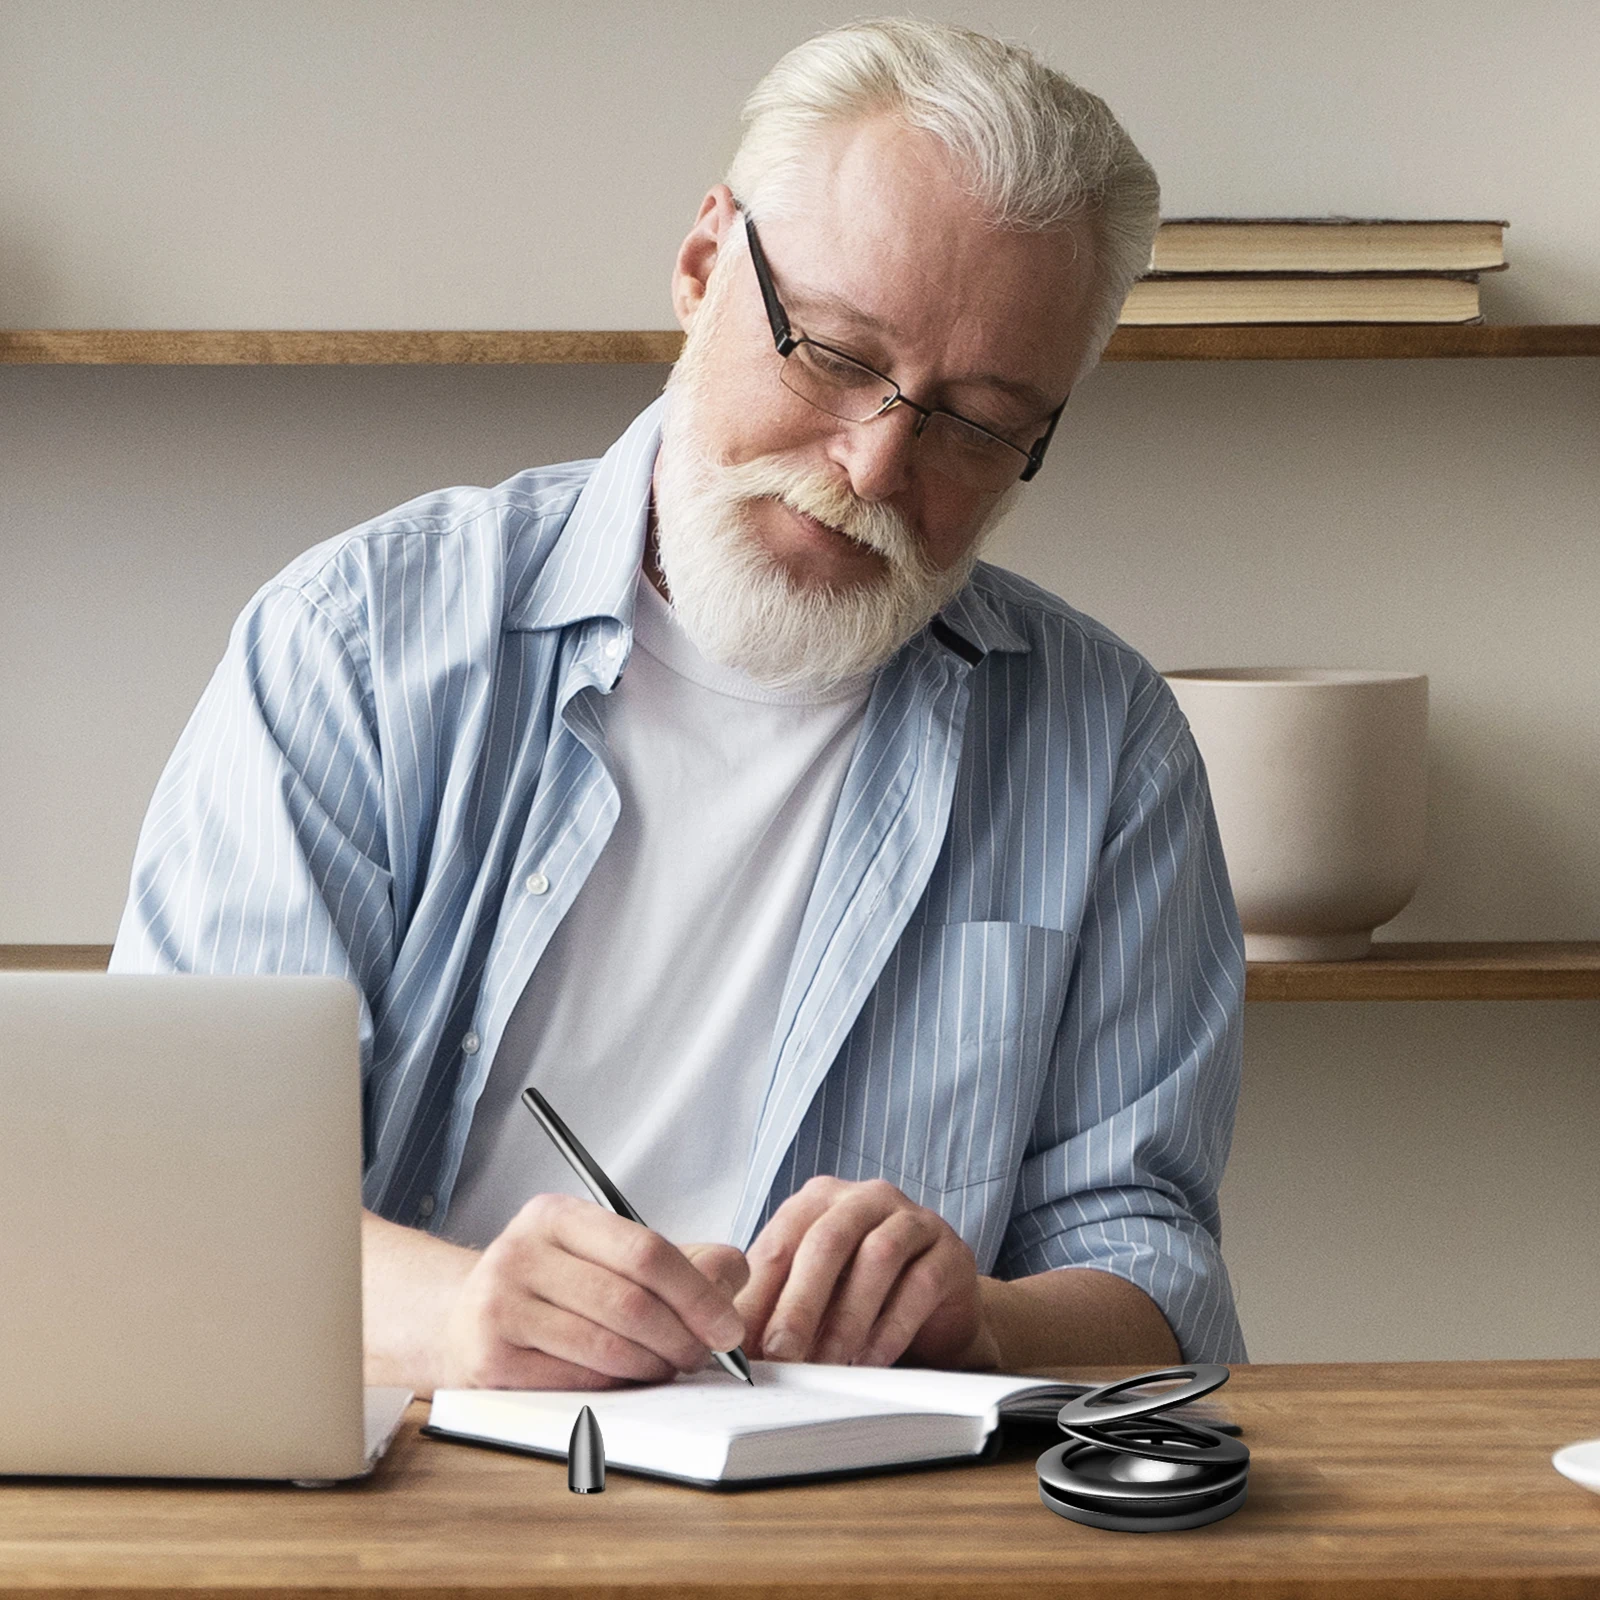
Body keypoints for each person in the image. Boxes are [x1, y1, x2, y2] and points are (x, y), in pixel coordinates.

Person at [111, 18, 1246, 1394]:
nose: (878, 463)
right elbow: (177, 1208)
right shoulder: (353, 653)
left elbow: (1158, 1279)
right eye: (832, 352)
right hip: (409, 1487)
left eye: (978, 421)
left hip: (871, 1519)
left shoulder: (1105, 743)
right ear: (705, 264)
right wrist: (467, 1318)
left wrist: (989, 1324)